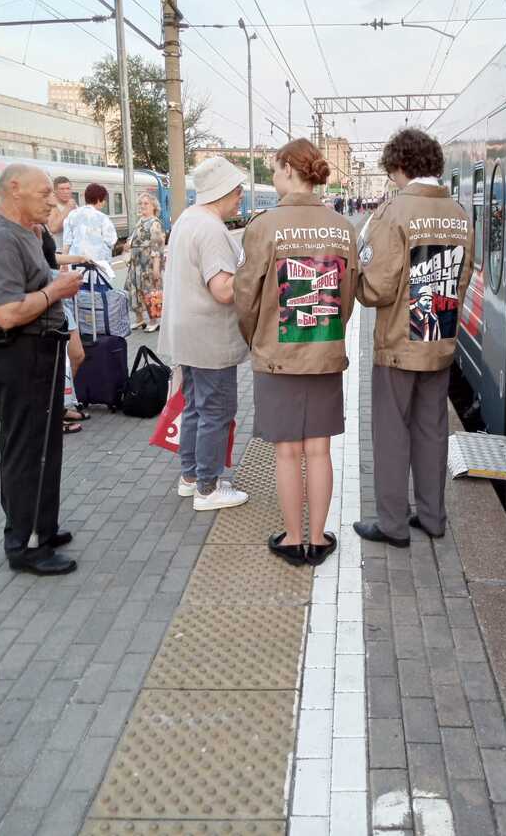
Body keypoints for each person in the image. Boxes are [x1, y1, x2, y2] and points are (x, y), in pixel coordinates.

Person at [235, 138, 358, 566]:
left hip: (277, 353)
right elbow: (348, 295)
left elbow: (246, 296)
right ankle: (319, 538)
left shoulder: (264, 225)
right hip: (323, 350)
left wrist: (257, 338)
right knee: (319, 449)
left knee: (287, 450)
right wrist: (330, 333)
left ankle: (292, 538)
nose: (272, 175)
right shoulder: (342, 226)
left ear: (290, 168)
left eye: (274, 167)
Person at [353, 127, 474, 548]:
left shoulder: (394, 212)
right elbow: (463, 276)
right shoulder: (459, 213)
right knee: (432, 429)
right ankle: (433, 516)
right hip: (438, 335)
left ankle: (392, 524)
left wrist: (358, 285)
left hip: (400, 343)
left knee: (391, 430)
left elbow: (379, 287)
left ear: (400, 166)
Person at [0, 163, 83, 575]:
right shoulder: (0, 239)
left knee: (46, 445)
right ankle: (23, 544)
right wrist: (55, 291)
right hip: (18, 355)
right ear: (14, 190)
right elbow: (7, 313)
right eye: (44, 193)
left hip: (42, 352)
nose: (53, 200)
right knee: (27, 448)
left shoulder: (32, 232)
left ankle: (43, 527)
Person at [158, 157, 250, 512]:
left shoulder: (186, 220)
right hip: (210, 337)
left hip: (186, 335)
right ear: (222, 191)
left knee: (195, 408)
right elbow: (224, 290)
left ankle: (191, 476)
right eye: (237, 189)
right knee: (216, 410)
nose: (240, 195)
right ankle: (208, 489)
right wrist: (255, 273)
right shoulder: (211, 229)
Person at [39, 222, 93, 433]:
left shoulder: (40, 227)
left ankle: (59, 406)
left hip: (58, 296)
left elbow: (51, 258)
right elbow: (38, 266)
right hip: (48, 296)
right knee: (55, 363)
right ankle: (52, 415)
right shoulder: (24, 229)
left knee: (76, 355)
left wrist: (77, 259)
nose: (51, 202)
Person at [124, 192, 166, 333]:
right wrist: (128, 243)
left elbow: (156, 246)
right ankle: (139, 319)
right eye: (141, 203)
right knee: (135, 290)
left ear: (154, 206)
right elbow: (133, 237)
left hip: (147, 262)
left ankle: (153, 320)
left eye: (146, 203)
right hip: (136, 262)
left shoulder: (155, 223)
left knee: (150, 291)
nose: (142, 206)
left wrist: (156, 267)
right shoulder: (140, 221)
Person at [63, 183, 117, 263]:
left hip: (76, 263)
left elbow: (67, 241)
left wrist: (64, 263)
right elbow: (111, 241)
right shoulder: (103, 218)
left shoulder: (72, 214)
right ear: (99, 200)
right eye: (104, 199)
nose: (105, 202)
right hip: (98, 264)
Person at [47, 175, 76, 252]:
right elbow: (53, 228)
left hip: (72, 250)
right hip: (58, 251)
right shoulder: (53, 205)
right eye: (62, 189)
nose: (65, 192)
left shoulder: (74, 205)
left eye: (68, 188)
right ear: (55, 191)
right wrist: (68, 208)